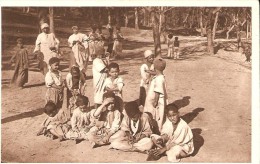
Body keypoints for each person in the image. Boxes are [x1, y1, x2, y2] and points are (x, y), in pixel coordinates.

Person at [144, 58, 168, 132]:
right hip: (154, 99)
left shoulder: (158, 79)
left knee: (156, 115)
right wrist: (149, 71)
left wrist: (155, 101)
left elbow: (157, 91)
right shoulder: (160, 76)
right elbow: (156, 73)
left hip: (156, 101)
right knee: (155, 114)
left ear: (154, 67)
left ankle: (157, 129)